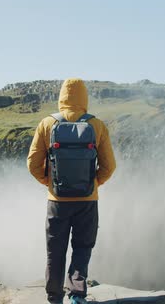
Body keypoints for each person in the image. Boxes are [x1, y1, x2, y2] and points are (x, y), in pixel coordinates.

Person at [27, 78, 117, 304]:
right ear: (84, 97)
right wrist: (93, 184)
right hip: (88, 200)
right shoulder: (96, 125)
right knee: (82, 247)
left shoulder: (47, 124)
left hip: (57, 201)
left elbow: (32, 163)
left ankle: (54, 298)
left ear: (62, 96)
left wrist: (50, 182)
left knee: (55, 251)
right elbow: (109, 166)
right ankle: (77, 295)